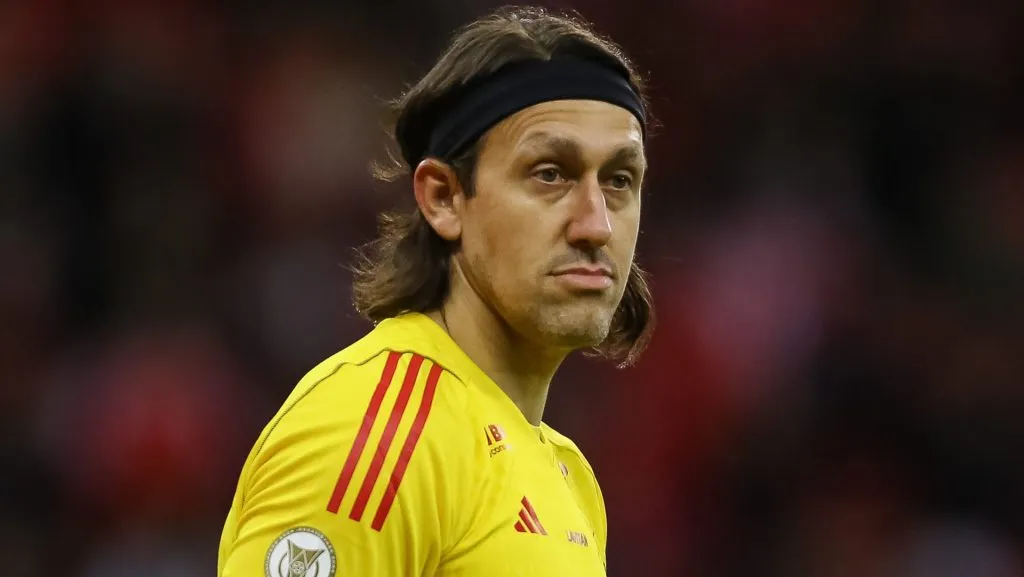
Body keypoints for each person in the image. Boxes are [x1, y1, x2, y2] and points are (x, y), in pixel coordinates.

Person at [218, 5, 654, 576]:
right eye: (550, 173)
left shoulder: (566, 473)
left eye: (619, 180)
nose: (595, 223)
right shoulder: (374, 436)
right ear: (444, 199)